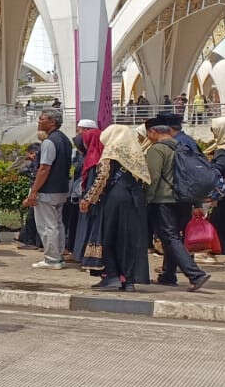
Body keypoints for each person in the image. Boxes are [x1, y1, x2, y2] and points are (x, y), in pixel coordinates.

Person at [81, 125, 150, 291]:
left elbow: (102, 177)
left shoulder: (111, 152)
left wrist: (88, 199)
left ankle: (112, 276)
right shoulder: (136, 154)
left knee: (109, 237)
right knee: (128, 240)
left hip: (115, 199)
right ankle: (129, 281)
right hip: (134, 200)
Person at [144, 117, 210, 290]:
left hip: (164, 200)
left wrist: (146, 200)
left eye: (148, 133)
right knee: (172, 238)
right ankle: (168, 274)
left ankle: (196, 274)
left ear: (154, 132)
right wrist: (197, 203)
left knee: (169, 237)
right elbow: (192, 177)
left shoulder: (157, 149)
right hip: (184, 200)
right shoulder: (184, 147)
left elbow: (153, 178)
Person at [25, 110, 73, 270]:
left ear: (52, 122)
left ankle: (52, 259)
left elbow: (44, 168)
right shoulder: (65, 140)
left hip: (48, 190)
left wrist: (34, 191)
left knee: (47, 225)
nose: (39, 121)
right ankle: (58, 255)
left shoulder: (49, 142)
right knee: (58, 223)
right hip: (61, 188)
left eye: (42, 119)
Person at [68, 121, 104, 269]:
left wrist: (88, 198)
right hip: (87, 197)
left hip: (92, 199)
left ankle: (87, 257)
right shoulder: (90, 155)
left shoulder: (96, 158)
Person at [207, 116, 225, 254]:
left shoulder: (223, 152)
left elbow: (217, 172)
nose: (214, 134)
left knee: (220, 223)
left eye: (215, 131)